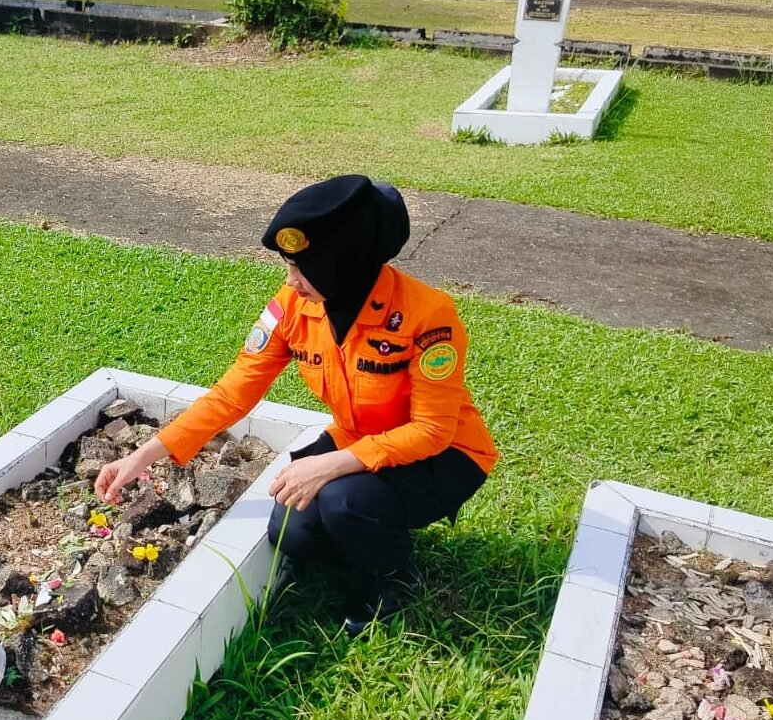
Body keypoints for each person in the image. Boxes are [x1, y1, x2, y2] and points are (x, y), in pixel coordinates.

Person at [94, 174, 498, 634]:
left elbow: (432, 430)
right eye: (288, 265)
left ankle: (391, 575)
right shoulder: (293, 308)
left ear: (343, 264)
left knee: (344, 503)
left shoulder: (427, 316)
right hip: (361, 439)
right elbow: (233, 393)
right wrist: (144, 455)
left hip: (444, 456)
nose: (291, 282)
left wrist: (329, 466)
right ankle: (371, 530)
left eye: (304, 269)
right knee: (293, 533)